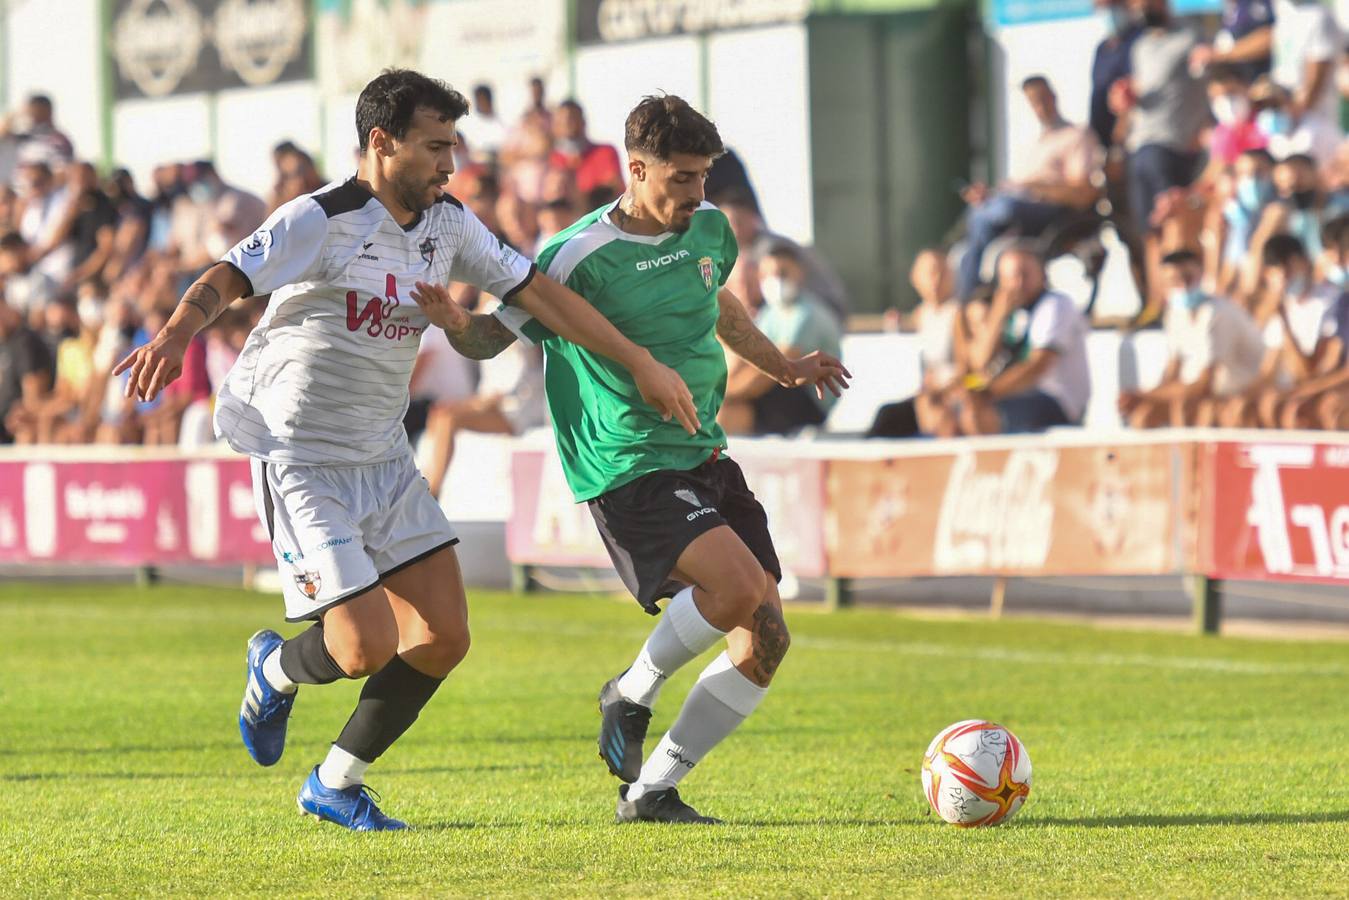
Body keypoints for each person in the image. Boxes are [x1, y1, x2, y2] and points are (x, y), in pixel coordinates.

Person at [113, 69, 700, 831]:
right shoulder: (321, 218)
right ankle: (276, 666)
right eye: (434, 147)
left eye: (452, 146)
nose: (449, 164)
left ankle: (334, 783)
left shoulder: (448, 226)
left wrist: (639, 362)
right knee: (361, 647)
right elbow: (227, 276)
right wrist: (174, 335)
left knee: (445, 637)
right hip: (303, 457)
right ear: (381, 144)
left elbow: (538, 296)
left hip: (384, 456)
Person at [421, 94, 849, 823]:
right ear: (636, 168)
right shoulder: (576, 256)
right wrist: (459, 323)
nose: (695, 193)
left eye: (704, 177)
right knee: (739, 588)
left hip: (702, 451)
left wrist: (780, 366)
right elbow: (496, 339)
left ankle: (652, 790)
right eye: (680, 178)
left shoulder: (710, 229)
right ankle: (632, 689)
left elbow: (719, 308)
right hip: (625, 460)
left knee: (766, 636)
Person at [956, 75, 1102, 302]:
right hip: (1016, 203)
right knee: (974, 227)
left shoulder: (1076, 136)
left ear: (1054, 96)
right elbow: (1017, 186)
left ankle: (971, 298)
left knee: (996, 211)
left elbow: (1081, 192)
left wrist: (1036, 188)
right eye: (1034, 102)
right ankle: (969, 299)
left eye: (1043, 99)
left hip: (1051, 211)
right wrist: (992, 193)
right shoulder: (1036, 143)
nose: (1040, 107)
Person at [1113, 0, 1209, 320]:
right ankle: (1157, 302)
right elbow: (1142, 89)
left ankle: (1180, 296)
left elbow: (1205, 86)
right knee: (1149, 231)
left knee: (1172, 224)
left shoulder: (1189, 37)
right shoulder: (1140, 46)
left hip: (1171, 147)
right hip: (1140, 145)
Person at [1119, 250, 1264, 426]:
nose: (1183, 285)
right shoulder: (1175, 314)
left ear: (1201, 273)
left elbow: (1204, 386)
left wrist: (1144, 395)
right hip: (1214, 394)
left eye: (1188, 277)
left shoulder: (1217, 312)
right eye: (1175, 281)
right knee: (1145, 417)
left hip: (1243, 394)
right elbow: (1172, 374)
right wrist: (1145, 398)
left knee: (1189, 411)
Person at [960, 245, 1091, 434]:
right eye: (1011, 277)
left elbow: (1037, 366)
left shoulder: (1056, 305)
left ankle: (989, 463)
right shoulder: (1006, 310)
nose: (1019, 283)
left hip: (1055, 399)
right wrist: (997, 317)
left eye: (1025, 275)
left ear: (1043, 275)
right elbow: (980, 363)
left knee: (977, 413)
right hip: (1012, 393)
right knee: (944, 407)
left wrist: (988, 393)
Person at [720, 240, 842, 435]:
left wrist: (724, 394)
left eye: (782, 273)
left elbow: (779, 370)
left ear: (800, 272)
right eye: (767, 275)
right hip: (777, 389)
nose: (774, 280)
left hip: (807, 402)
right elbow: (748, 358)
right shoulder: (771, 313)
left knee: (729, 413)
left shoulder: (806, 315)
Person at [1220, 233, 1332, 426]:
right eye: (1277, 270)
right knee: (1236, 408)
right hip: (1291, 387)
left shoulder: (1328, 302)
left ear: (1305, 262)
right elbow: (1267, 370)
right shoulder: (1283, 305)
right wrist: (1238, 398)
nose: (1284, 276)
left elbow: (1307, 372)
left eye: (1289, 267)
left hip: (1317, 386)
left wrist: (1283, 318)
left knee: (1276, 405)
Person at [867, 248, 965, 438]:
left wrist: (939, 392)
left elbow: (966, 369)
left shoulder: (958, 314)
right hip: (929, 394)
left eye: (941, 273)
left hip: (951, 395)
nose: (935, 280)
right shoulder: (922, 314)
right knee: (887, 417)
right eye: (929, 274)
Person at [549, 99, 624, 201]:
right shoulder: (551, 159)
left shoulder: (604, 153)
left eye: (571, 119)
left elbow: (615, 188)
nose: (567, 124)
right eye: (561, 121)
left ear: (583, 122)